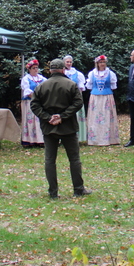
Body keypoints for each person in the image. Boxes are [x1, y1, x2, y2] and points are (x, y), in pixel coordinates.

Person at [30, 59, 91, 199]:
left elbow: (34, 105)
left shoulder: (41, 86)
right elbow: (78, 103)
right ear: (63, 70)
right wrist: (63, 116)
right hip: (68, 127)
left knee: (50, 160)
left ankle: (53, 192)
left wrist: (47, 117)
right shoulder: (71, 85)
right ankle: (78, 189)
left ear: (50, 70)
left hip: (49, 127)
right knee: (74, 159)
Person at [85, 55, 120, 146]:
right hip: (95, 98)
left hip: (107, 97)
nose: (102, 64)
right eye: (100, 62)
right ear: (97, 63)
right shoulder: (92, 73)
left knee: (107, 116)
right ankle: (95, 139)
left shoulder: (110, 73)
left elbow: (113, 86)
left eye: (103, 62)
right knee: (95, 117)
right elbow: (89, 85)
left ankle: (110, 139)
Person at [20, 59, 46, 147]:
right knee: (30, 120)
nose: (35, 70)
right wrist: (36, 98)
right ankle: (29, 140)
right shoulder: (26, 79)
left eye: (36, 68)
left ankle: (40, 140)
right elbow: (27, 91)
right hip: (29, 102)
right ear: (29, 69)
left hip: (40, 102)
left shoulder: (42, 78)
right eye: (33, 68)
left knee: (39, 120)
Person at [63, 55, 88, 142]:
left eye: (70, 62)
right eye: (67, 62)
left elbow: (81, 87)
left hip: (75, 97)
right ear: (64, 63)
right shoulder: (62, 73)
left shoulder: (77, 74)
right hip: (65, 97)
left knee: (77, 116)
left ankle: (78, 137)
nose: (69, 63)